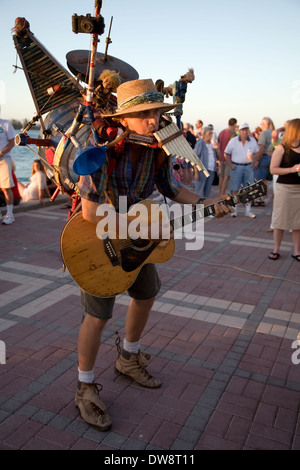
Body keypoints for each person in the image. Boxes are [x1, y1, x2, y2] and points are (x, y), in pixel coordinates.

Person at [75, 78, 233, 431]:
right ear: (125, 118)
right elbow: (88, 213)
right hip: (99, 236)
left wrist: (207, 202)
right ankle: (84, 386)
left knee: (146, 294)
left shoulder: (159, 147)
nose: (153, 119)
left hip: (139, 233)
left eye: (157, 112)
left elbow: (171, 187)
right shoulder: (101, 145)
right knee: (97, 316)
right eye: (143, 113)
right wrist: (136, 227)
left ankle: (128, 359)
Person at [268, 118, 300, 261]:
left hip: (299, 189)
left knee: (298, 222)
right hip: (285, 189)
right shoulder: (282, 148)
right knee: (280, 220)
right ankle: (276, 249)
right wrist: (292, 169)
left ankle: (297, 251)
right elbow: (273, 169)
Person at [224, 123, 259, 218]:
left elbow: (257, 152)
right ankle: (234, 209)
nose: (245, 132)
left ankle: (248, 210)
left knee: (249, 188)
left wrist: (254, 158)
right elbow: (226, 153)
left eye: (246, 130)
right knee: (234, 189)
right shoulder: (234, 141)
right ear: (240, 131)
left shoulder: (252, 141)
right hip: (237, 166)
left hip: (248, 166)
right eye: (243, 130)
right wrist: (230, 165)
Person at [193, 126, 220, 198]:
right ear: (204, 135)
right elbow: (195, 157)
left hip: (211, 170)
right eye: (209, 133)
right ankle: (198, 208)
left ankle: (205, 208)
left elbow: (219, 157)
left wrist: (217, 149)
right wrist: (196, 172)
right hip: (201, 170)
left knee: (207, 192)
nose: (211, 135)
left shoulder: (213, 144)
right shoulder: (200, 143)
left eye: (212, 133)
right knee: (198, 192)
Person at [253, 117, 274, 205]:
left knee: (258, 179)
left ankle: (259, 199)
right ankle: (264, 198)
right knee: (265, 179)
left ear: (264, 124)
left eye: (261, 124)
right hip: (270, 157)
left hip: (263, 157)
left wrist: (257, 160)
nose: (260, 125)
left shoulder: (264, 133)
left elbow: (261, 148)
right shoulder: (272, 133)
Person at [0, 117, 16, 225]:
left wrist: (1, 153)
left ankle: (10, 215)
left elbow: (12, 142)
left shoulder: (5, 124)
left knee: (6, 187)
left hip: (4, 159)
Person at [218, 118, 238, 196]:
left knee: (222, 177)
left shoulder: (221, 132)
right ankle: (222, 194)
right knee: (226, 177)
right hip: (229, 157)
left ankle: (220, 193)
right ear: (235, 124)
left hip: (222, 157)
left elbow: (219, 146)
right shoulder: (232, 133)